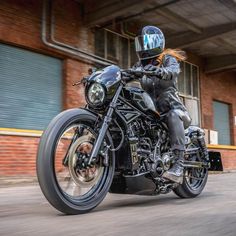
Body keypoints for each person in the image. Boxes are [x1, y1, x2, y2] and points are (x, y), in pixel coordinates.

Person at [133, 25, 191, 184]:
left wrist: (160, 71)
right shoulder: (140, 65)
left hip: (175, 111)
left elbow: (172, 71)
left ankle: (179, 166)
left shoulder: (167, 59)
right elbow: (128, 73)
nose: (144, 47)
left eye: (147, 42)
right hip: (154, 114)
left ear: (157, 42)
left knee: (173, 115)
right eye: (140, 43)